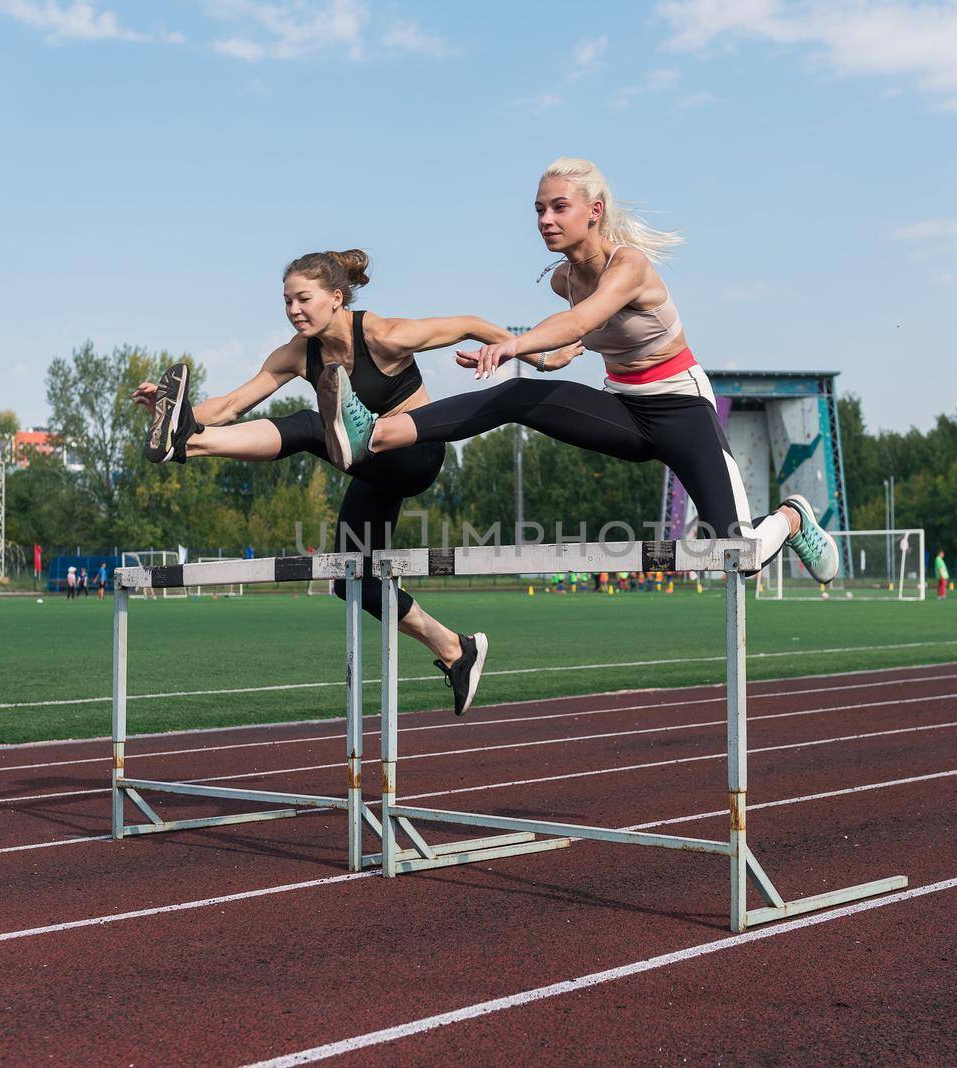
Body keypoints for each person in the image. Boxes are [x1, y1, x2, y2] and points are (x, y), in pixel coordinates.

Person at [316, 158, 839, 588]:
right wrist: (529, 355)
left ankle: (792, 517)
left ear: (595, 211)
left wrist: (512, 343)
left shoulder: (629, 265)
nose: (545, 218)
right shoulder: (562, 280)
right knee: (516, 395)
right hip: (625, 410)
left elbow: (582, 320)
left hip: (681, 409)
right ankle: (378, 433)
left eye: (558, 207)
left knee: (738, 556)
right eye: (539, 209)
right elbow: (572, 341)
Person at [132, 249, 511, 716]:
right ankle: (457, 650)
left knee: (312, 427)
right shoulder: (297, 354)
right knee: (353, 579)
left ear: (336, 297)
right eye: (287, 302)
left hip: (416, 454)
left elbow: (471, 323)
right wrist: (177, 414)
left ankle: (188, 445)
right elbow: (232, 405)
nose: (294, 311)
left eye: (303, 300)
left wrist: (540, 351)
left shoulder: (384, 334)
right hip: (370, 470)